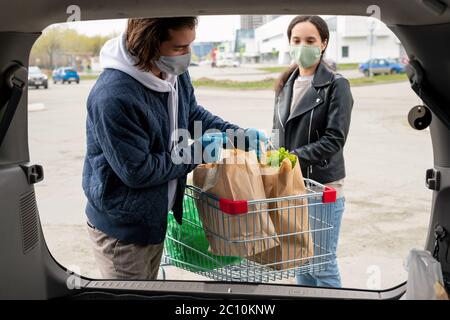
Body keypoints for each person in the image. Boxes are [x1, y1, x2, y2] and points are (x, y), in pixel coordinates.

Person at [82, 17, 266, 280]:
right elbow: (138, 170)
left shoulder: (172, 71)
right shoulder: (113, 96)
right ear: (149, 44)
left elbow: (191, 114)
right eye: (179, 48)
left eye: (190, 45)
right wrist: (197, 153)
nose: (187, 55)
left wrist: (236, 135)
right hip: (122, 232)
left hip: (155, 220)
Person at [272, 15, 354, 288]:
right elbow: (278, 132)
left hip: (322, 186)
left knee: (321, 262)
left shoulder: (336, 84)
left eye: (310, 40)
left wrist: (293, 157)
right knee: (301, 260)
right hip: (292, 185)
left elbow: (334, 139)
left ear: (324, 43)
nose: (302, 46)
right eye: (296, 40)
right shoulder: (285, 84)